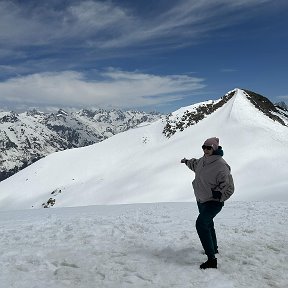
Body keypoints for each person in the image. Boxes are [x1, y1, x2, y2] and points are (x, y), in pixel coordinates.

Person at [181, 137, 234, 269]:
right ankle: (214, 248)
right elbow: (194, 164)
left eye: (209, 147)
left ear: (215, 148)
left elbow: (227, 184)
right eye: (204, 147)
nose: (206, 150)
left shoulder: (221, 165)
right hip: (201, 200)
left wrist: (218, 193)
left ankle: (212, 260)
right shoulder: (202, 160)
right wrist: (186, 161)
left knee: (201, 224)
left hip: (213, 202)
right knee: (208, 224)